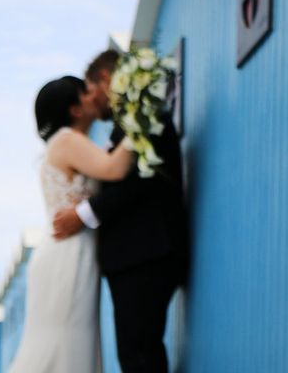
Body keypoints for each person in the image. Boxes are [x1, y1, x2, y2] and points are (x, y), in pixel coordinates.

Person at [53, 50, 188, 373]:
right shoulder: (127, 127)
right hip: (136, 257)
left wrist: (83, 214)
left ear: (105, 80)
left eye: (89, 89)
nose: (88, 100)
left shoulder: (146, 119)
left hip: (147, 255)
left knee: (140, 355)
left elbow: (142, 181)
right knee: (135, 354)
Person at [9, 75, 134, 373]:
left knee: (67, 343)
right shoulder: (67, 141)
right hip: (68, 255)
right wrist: (143, 119)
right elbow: (114, 169)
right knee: (63, 343)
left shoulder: (69, 143)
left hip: (72, 251)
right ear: (75, 109)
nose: (94, 95)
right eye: (86, 93)